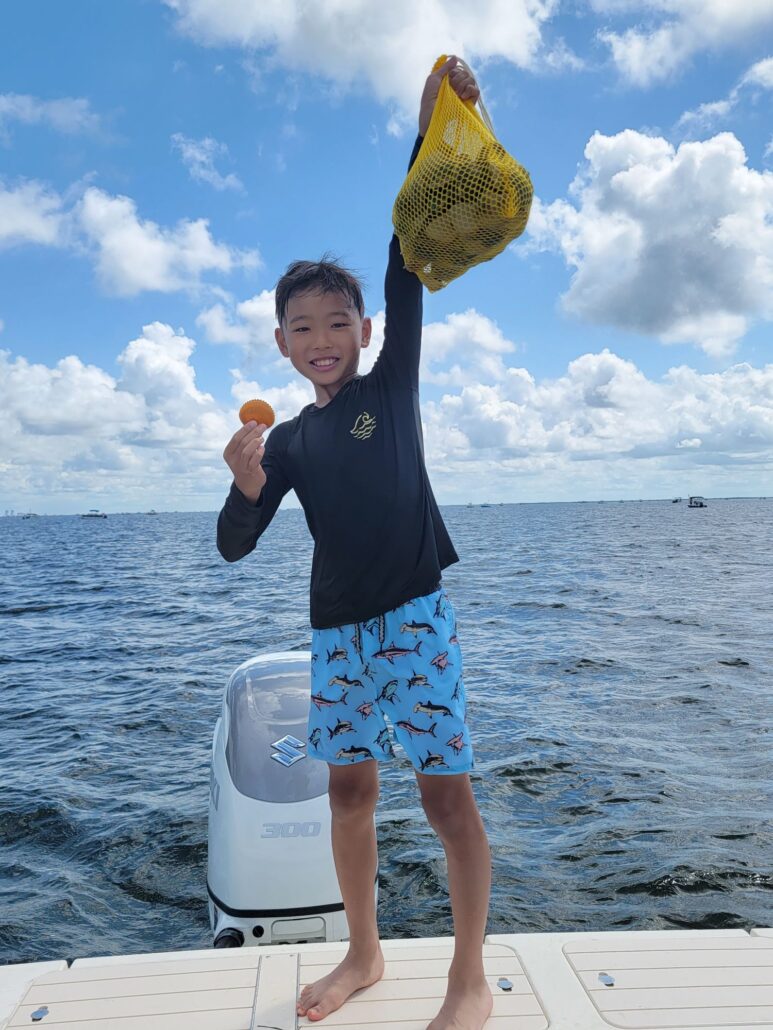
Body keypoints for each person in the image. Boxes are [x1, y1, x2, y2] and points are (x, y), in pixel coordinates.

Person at [216, 55, 493, 1030]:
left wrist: (431, 125)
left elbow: (404, 250)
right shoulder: (287, 439)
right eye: (303, 326)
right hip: (335, 634)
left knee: (446, 800)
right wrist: (245, 488)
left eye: (338, 321)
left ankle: (468, 976)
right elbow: (234, 544)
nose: (322, 335)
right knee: (347, 795)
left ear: (366, 331)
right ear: (283, 344)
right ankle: (364, 955)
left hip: (415, 617)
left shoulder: (390, 388)